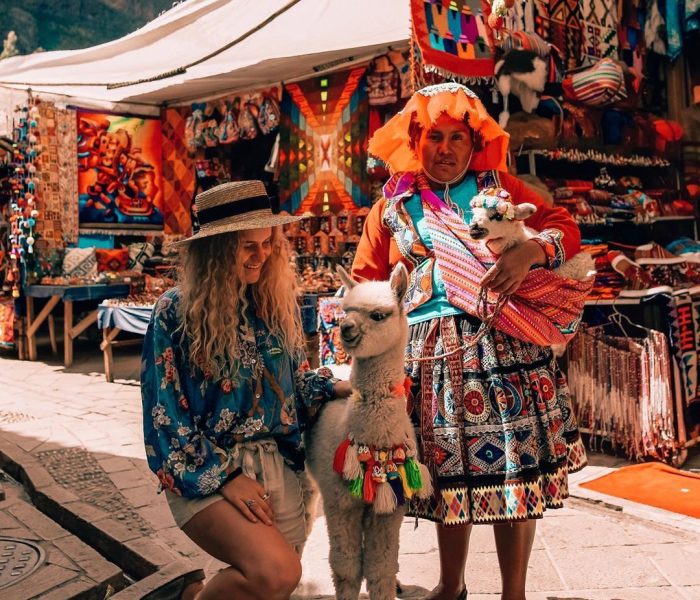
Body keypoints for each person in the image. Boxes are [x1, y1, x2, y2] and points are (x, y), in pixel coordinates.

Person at [352, 83, 587, 600]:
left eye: (458, 136)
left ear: (473, 142)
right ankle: (451, 585)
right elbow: (362, 285)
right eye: (435, 136)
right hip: (427, 355)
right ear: (417, 140)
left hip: (503, 347)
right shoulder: (390, 209)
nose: (446, 148)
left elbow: (563, 227)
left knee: (512, 473)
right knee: (444, 476)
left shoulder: (500, 189)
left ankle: (514, 593)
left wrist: (529, 254)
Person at [141, 180, 350, 600]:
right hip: (204, 470)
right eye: (247, 246)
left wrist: (336, 386)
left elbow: (295, 390)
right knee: (275, 573)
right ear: (215, 253)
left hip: (278, 465)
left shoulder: (272, 304)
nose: (262, 256)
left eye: (267, 243)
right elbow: (164, 418)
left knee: (271, 587)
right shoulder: (173, 313)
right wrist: (226, 477)